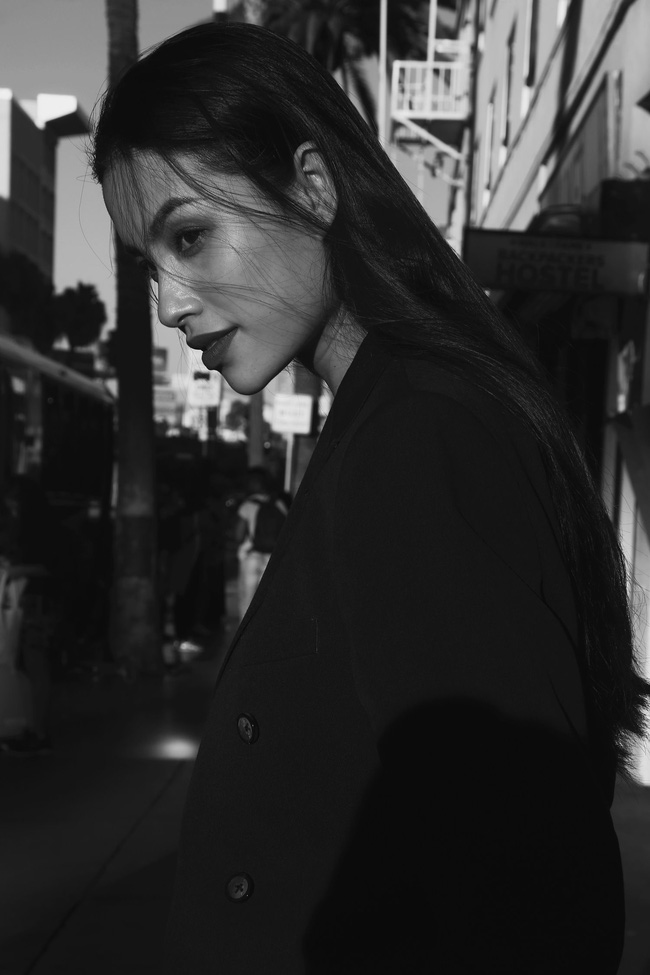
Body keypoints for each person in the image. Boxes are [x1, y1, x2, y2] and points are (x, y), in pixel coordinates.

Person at [91, 22, 649, 973]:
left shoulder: (416, 436)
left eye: (191, 236)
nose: (170, 303)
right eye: (152, 263)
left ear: (313, 187)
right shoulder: (394, 414)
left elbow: (524, 889)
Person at [234, 467, 288, 618]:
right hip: (271, 559)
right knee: (267, 602)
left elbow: (238, 535)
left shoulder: (247, 505)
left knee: (247, 600)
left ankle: (245, 631)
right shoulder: (279, 504)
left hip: (251, 556)